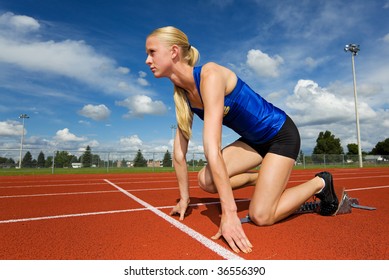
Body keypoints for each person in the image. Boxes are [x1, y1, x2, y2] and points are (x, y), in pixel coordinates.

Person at [145, 26, 339, 254]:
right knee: (205, 181)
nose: (148, 60)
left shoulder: (210, 74)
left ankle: (321, 182)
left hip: (280, 135)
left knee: (261, 216)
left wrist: (229, 213)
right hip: (253, 141)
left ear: (174, 51)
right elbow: (179, 154)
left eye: (152, 52)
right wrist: (184, 198)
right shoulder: (183, 96)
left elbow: (212, 148)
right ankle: (264, 177)